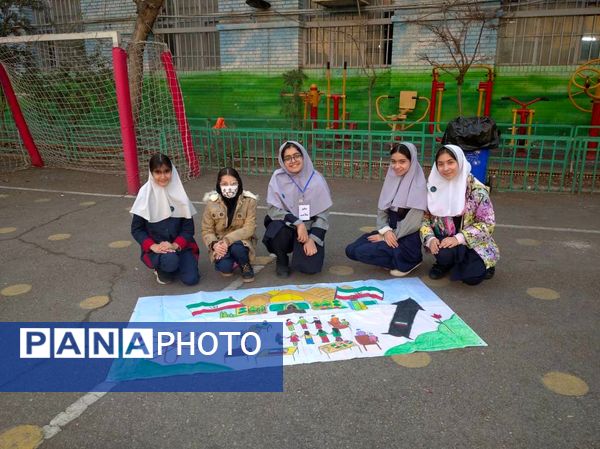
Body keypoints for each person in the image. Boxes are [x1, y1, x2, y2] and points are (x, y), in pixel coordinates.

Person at [420, 144, 499, 285]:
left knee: (472, 278)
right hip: (445, 240)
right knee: (443, 255)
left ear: (460, 162)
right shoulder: (433, 187)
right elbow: (425, 218)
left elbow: (487, 224)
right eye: (441, 164)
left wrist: (459, 238)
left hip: (474, 243)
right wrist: (430, 238)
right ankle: (445, 263)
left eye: (450, 162)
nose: (445, 168)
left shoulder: (476, 190)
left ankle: (486, 262)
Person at [345, 142, 427, 276]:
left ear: (412, 161)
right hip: (389, 232)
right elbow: (382, 211)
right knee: (352, 250)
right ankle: (389, 258)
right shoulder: (392, 179)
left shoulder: (419, 186)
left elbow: (413, 223)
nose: (396, 166)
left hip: (405, 237)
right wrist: (384, 231)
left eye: (402, 161)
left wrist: (388, 237)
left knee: (361, 252)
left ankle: (410, 261)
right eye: (393, 161)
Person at [263, 141, 332, 277]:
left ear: (303, 157)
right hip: (288, 225)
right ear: (282, 161)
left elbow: (323, 216)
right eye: (287, 158)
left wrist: (312, 239)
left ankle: (303, 248)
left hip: (310, 227)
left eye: (296, 156)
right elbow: (272, 209)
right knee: (276, 230)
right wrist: (298, 223)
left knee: (310, 268)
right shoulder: (278, 178)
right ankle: (282, 259)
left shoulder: (317, 179)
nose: (293, 161)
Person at [130, 153, 200, 285]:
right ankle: (161, 267)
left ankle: (176, 262)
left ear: (172, 171)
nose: (163, 176)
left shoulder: (180, 194)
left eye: (167, 171)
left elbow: (188, 230)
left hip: (180, 246)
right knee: (170, 264)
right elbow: (137, 230)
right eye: (158, 172)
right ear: (151, 173)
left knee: (191, 280)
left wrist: (174, 245)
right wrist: (154, 246)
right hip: (158, 248)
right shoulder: (144, 195)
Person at [201, 167, 257, 283]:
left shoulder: (249, 201)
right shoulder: (211, 203)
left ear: (239, 183)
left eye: (233, 183)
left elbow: (249, 228)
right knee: (225, 269)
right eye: (224, 184)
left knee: (238, 249)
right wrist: (215, 245)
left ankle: (245, 264)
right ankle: (230, 259)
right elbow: (207, 230)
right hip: (219, 242)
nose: (229, 187)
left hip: (241, 241)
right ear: (218, 185)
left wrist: (227, 240)